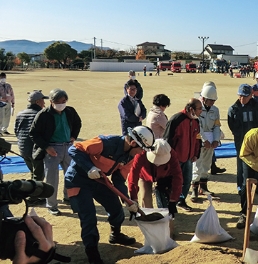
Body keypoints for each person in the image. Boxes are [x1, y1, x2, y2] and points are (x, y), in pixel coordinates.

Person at [65, 126, 154, 264]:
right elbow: (74, 149)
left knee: (116, 208)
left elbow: (119, 180)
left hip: (100, 180)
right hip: (78, 179)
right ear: (133, 143)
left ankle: (116, 234)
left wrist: (127, 201)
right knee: (89, 216)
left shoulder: (129, 156)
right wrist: (90, 167)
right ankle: (92, 252)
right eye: (141, 148)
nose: (141, 152)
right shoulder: (105, 142)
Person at [30, 88, 82, 216]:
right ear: (51, 102)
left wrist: (74, 136)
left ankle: (68, 197)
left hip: (68, 147)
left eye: (64, 101)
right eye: (59, 101)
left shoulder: (70, 111)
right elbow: (34, 133)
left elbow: (77, 123)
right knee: (52, 179)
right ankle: (52, 205)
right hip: (52, 149)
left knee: (71, 175)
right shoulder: (43, 115)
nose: (62, 103)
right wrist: (46, 147)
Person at [164, 98, 201, 211]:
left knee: (187, 180)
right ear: (191, 109)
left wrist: (196, 154)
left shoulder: (196, 121)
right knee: (173, 182)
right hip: (175, 159)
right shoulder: (176, 120)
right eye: (199, 109)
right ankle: (169, 204)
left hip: (188, 158)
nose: (201, 111)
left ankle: (181, 200)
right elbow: (167, 140)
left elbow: (197, 138)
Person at [128, 139, 182, 215]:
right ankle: (148, 218)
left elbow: (178, 176)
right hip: (144, 176)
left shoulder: (172, 154)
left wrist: (173, 200)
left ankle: (167, 220)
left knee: (166, 200)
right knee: (145, 198)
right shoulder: (141, 154)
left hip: (165, 176)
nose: (158, 164)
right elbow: (133, 175)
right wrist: (134, 199)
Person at [14, 90, 48, 205]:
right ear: (38, 102)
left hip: (23, 148)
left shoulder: (21, 113)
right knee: (38, 175)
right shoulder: (41, 114)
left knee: (33, 173)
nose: (44, 103)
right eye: (43, 100)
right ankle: (33, 198)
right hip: (35, 149)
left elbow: (16, 130)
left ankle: (33, 193)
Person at [227, 84, 258, 192]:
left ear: (251, 96)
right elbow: (231, 124)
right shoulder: (233, 109)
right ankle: (241, 187)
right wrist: (238, 134)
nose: (242, 99)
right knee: (241, 163)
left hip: (255, 140)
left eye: (245, 96)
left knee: (256, 162)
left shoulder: (256, 106)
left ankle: (257, 187)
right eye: (240, 96)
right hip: (241, 140)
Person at [191, 85, 221, 200]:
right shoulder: (197, 108)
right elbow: (197, 126)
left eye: (214, 100)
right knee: (197, 165)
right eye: (210, 100)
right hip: (199, 140)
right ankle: (194, 189)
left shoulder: (215, 110)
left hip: (211, 140)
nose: (212, 103)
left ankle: (203, 187)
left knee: (207, 164)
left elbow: (217, 126)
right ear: (204, 99)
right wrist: (205, 140)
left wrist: (216, 140)